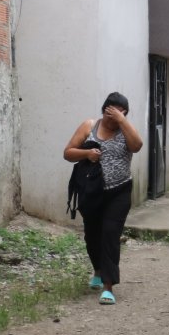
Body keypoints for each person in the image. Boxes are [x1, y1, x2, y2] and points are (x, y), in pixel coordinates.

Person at [62, 91, 144, 306]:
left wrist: (122, 121)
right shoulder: (89, 126)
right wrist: (87, 154)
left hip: (119, 191)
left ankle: (108, 286)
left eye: (120, 113)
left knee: (110, 234)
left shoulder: (126, 129)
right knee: (92, 235)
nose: (114, 117)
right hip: (92, 192)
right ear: (104, 109)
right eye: (111, 112)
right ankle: (98, 270)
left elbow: (137, 146)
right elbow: (68, 152)